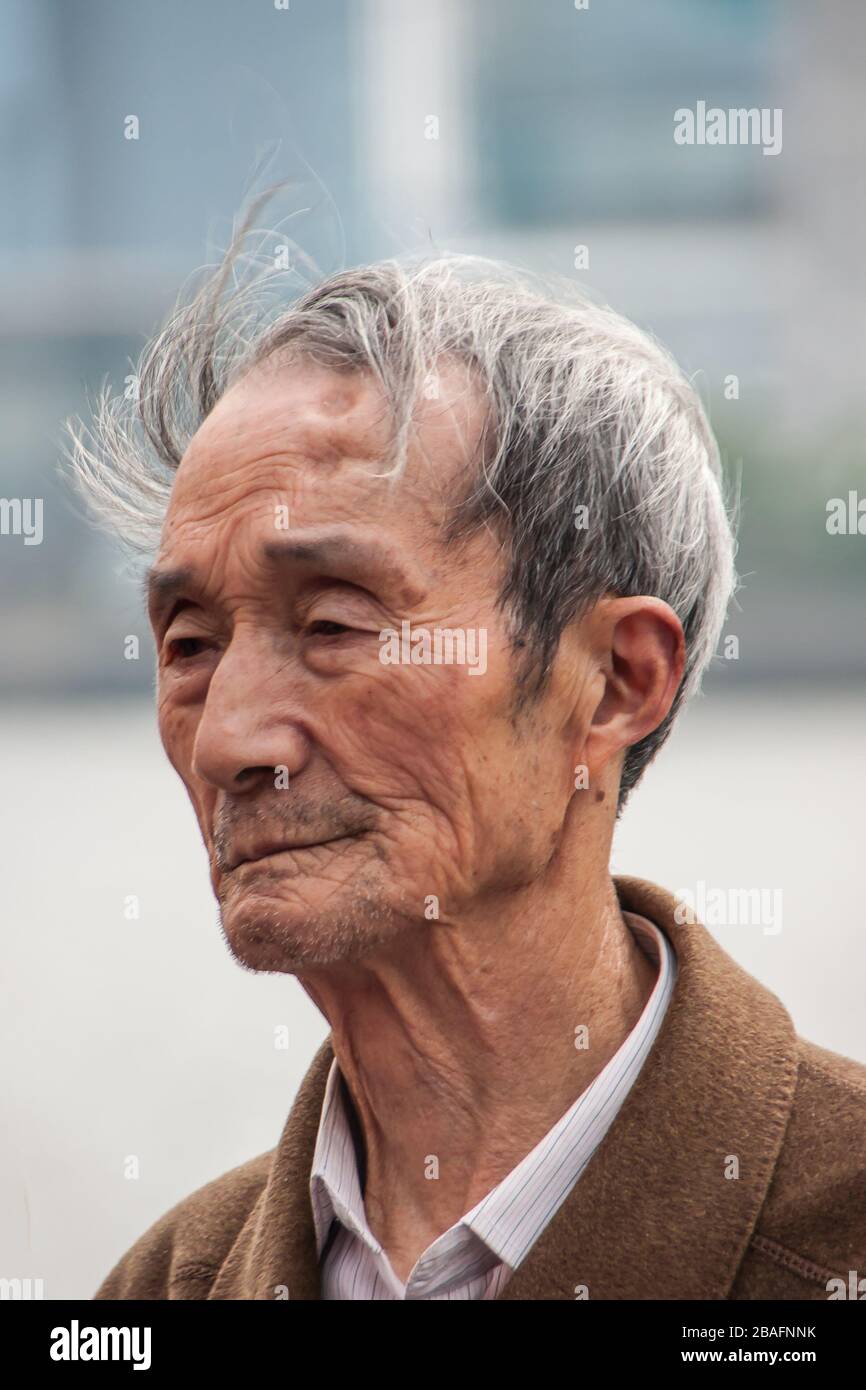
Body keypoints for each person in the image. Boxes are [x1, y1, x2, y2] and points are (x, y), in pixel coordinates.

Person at [69, 244, 866, 1300]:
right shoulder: (165, 1287)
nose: (227, 742)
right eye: (188, 646)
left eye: (333, 624)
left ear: (616, 681)